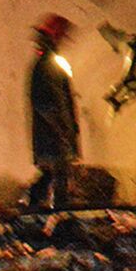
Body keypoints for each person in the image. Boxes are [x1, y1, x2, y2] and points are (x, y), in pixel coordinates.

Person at [28, 13, 81, 210]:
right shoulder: (47, 65)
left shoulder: (48, 63)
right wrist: (62, 130)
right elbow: (46, 103)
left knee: (53, 174)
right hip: (53, 135)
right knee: (58, 174)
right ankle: (58, 212)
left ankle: (34, 204)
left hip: (53, 133)